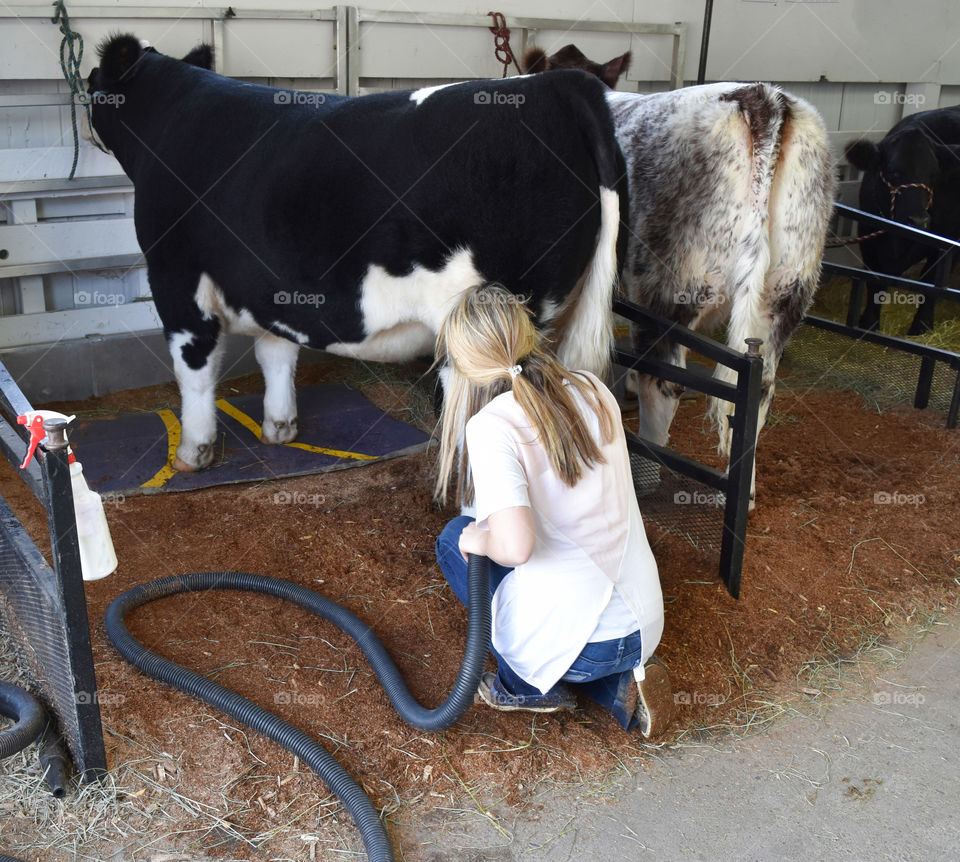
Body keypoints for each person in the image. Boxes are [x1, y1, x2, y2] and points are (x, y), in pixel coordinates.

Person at [433, 283, 673, 736]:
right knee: (580, 615)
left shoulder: (492, 426)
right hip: (643, 626)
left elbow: (517, 546)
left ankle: (524, 685)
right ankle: (621, 688)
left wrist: (476, 538)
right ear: (528, 332)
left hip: (586, 643)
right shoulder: (593, 387)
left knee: (453, 540)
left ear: (465, 362)